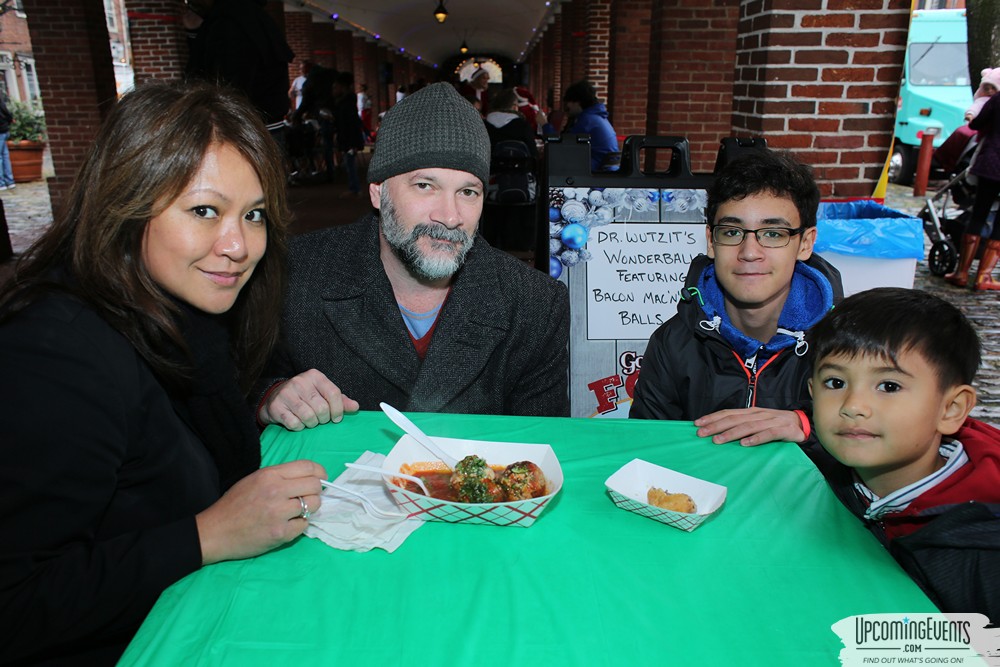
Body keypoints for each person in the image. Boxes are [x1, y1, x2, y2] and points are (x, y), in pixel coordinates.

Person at [0, 82, 327, 664]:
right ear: (125, 203)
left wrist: (264, 396)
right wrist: (208, 534)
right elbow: (17, 603)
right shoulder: (55, 353)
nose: (239, 245)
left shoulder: (183, 310)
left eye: (253, 215)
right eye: (204, 211)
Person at [255, 82, 570, 429]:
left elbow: (543, 442)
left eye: (468, 191)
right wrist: (271, 397)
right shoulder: (294, 275)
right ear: (378, 192)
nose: (450, 216)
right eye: (425, 186)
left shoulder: (535, 305)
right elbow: (235, 387)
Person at [807, 288, 1000, 621]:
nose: (853, 406)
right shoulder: (832, 470)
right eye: (836, 383)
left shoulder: (982, 555)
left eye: (889, 386)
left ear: (951, 409)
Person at [630, 150, 843, 449]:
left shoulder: (845, 342)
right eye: (732, 232)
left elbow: (879, 439)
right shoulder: (673, 342)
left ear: (805, 243)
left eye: (773, 233)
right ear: (711, 241)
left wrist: (807, 427)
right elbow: (646, 448)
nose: (749, 252)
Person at [184, 0, 294, 132]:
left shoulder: (229, 23)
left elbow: (228, 84)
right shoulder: (252, 16)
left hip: (247, 126)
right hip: (263, 123)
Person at [944, 67, 1000, 291]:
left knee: (978, 214)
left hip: (991, 164)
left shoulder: (996, 100)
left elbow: (975, 124)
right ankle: (983, 277)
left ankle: (962, 272)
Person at [562, 80, 620, 172]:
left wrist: (545, 125)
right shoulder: (596, 118)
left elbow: (563, 145)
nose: (566, 107)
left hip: (597, 171)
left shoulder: (586, 121)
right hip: (607, 169)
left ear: (577, 102)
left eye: (568, 102)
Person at [332, 71, 366, 197]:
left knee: (350, 164)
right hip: (350, 138)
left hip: (349, 139)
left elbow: (348, 124)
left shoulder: (345, 104)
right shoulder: (349, 102)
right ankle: (354, 187)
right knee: (349, 163)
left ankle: (355, 188)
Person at [485, 87, 538, 159]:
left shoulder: (484, 125)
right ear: (514, 107)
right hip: (520, 165)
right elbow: (534, 154)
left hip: (491, 165)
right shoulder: (523, 125)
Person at [0, 95, 14, 190]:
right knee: (5, 156)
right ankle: (10, 181)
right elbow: (8, 114)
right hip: (5, 130)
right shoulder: (1, 101)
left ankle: (1, 183)